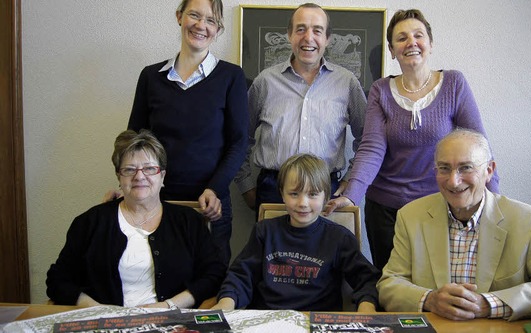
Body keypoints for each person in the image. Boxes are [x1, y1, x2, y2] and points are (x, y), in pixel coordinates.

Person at [326, 9, 499, 271]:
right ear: (392, 50)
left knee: (437, 282)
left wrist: (494, 200)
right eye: (401, 38)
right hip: (385, 208)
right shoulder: (380, 90)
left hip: (440, 205)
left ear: (430, 44)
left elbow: (479, 146)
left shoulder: (454, 83)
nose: (411, 43)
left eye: (418, 35)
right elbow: (372, 147)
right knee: (391, 286)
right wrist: (352, 195)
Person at [377, 129, 531, 320]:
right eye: (444, 168)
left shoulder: (528, 221)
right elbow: (388, 285)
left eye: (465, 168)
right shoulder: (411, 216)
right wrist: (430, 299)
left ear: (489, 170)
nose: (453, 181)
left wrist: (489, 305)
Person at [126, 0, 248, 268]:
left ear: (218, 29)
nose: (201, 25)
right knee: (157, 276)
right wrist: (127, 184)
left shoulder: (231, 77)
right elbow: (133, 140)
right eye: (194, 15)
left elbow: (239, 143)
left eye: (211, 20)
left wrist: (215, 189)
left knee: (211, 283)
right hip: (156, 200)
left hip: (210, 203)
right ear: (179, 16)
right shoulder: (151, 77)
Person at [46, 130, 226, 308]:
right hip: (105, 324)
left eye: (149, 168)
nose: (139, 176)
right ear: (119, 177)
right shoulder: (90, 222)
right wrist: (96, 310)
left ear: (162, 176)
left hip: (171, 322)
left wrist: (169, 306)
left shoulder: (189, 221)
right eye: (129, 169)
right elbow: (58, 280)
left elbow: (214, 275)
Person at [234, 3, 366, 213]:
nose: (308, 37)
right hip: (272, 190)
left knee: (322, 247)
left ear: (328, 39)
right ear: (289, 35)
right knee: (273, 247)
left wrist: (351, 182)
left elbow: (366, 141)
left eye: (317, 30)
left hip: (325, 192)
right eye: (301, 29)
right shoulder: (265, 82)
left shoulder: (347, 83)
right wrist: (246, 186)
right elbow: (240, 138)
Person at [214, 154, 380, 311]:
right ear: (282, 194)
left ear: (326, 196)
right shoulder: (264, 231)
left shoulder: (339, 238)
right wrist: (226, 303)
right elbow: (241, 276)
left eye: (313, 194)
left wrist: (367, 308)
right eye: (294, 194)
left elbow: (367, 280)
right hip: (268, 319)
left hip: (317, 321)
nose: (303, 203)